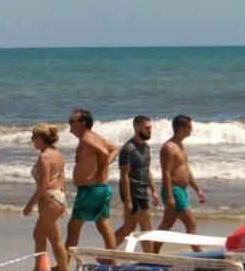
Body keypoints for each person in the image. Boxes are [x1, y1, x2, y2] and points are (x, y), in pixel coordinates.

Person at [65, 109, 120, 255]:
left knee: (74, 227)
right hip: (99, 188)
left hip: (90, 190)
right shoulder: (94, 137)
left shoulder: (86, 139)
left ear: (83, 123)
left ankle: (63, 268)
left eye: (72, 121)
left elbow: (104, 152)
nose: (69, 124)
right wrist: (104, 166)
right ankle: (112, 262)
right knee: (103, 224)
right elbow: (115, 147)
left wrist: (101, 170)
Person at [22, 124, 70, 271]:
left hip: (49, 199)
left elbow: (43, 186)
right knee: (39, 235)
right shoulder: (57, 154)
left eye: (33, 138)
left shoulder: (44, 157)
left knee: (55, 239)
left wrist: (29, 205)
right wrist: (63, 203)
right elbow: (62, 180)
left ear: (41, 139)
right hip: (58, 197)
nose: (32, 141)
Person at [154, 115, 205, 253]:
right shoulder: (169, 147)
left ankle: (152, 254)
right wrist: (169, 196)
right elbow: (166, 173)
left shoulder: (181, 146)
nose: (191, 130)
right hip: (174, 190)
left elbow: (186, 171)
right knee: (191, 223)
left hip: (182, 190)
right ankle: (200, 255)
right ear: (181, 128)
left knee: (167, 223)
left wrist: (197, 190)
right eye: (189, 127)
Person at [113, 116, 160, 252]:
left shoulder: (145, 146)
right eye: (147, 128)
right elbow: (124, 175)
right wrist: (128, 200)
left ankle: (104, 255)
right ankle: (151, 260)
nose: (150, 131)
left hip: (142, 190)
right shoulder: (128, 149)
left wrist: (154, 190)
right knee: (147, 226)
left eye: (150, 128)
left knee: (128, 227)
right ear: (136, 127)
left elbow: (146, 170)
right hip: (134, 192)